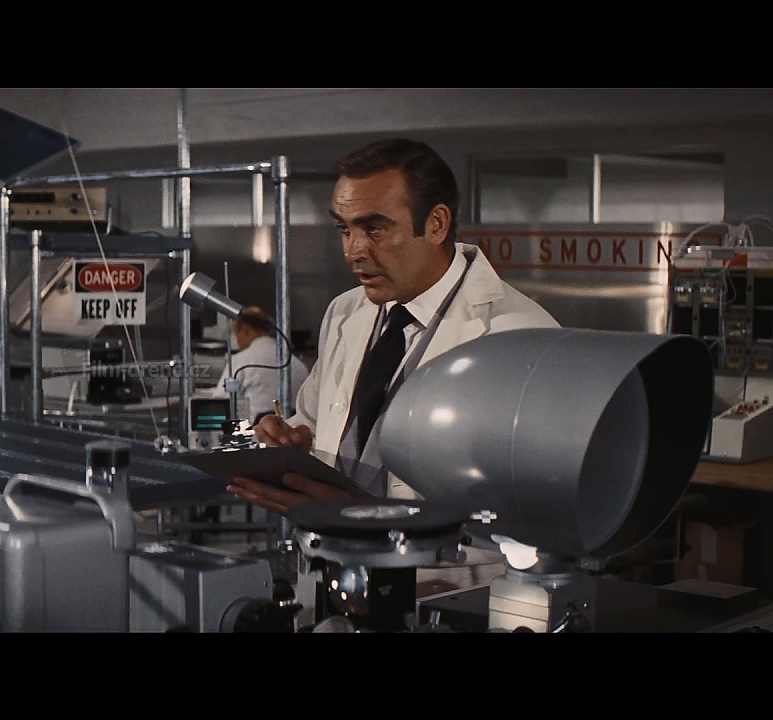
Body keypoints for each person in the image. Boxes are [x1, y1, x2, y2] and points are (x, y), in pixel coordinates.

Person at [227, 138, 559, 589]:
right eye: (345, 229)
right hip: (336, 573)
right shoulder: (346, 312)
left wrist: (357, 513)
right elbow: (316, 419)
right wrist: (291, 439)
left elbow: (533, 516)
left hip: (447, 593)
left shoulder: (519, 337)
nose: (354, 251)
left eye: (375, 228)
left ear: (436, 224)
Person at [213, 306, 311, 425]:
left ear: (245, 329)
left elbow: (220, 403)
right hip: (292, 431)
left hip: (255, 433)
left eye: (236, 334)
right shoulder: (299, 365)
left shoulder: (241, 361)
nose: (237, 341)